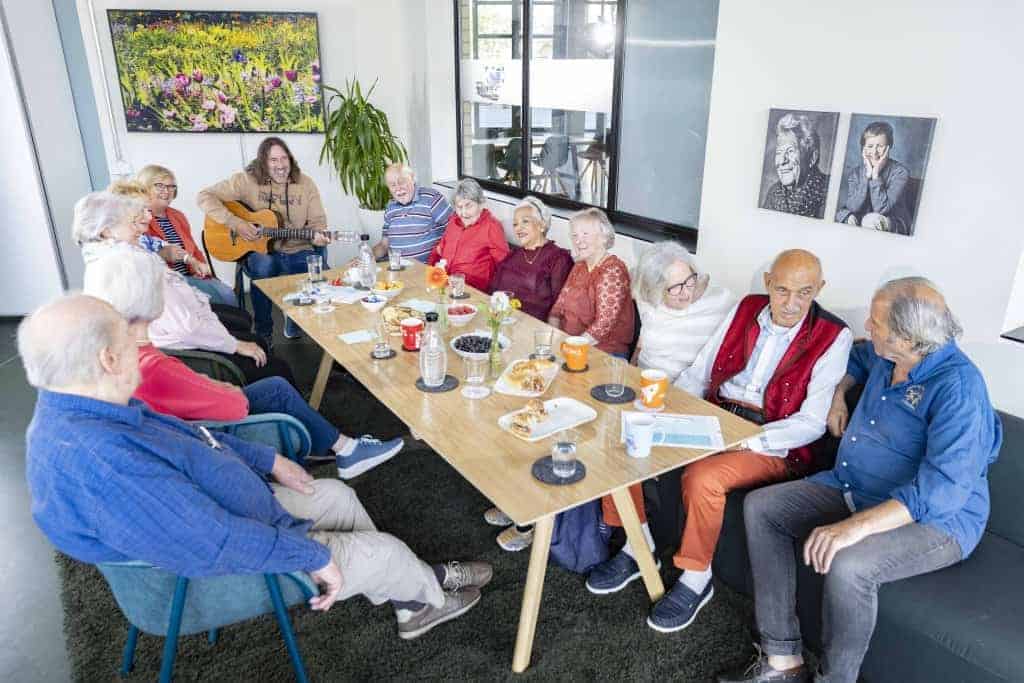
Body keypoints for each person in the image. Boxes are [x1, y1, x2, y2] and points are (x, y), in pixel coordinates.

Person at [20, 294, 492, 641]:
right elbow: (213, 542)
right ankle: (414, 585)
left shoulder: (87, 407)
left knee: (336, 495)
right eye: (129, 341)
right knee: (384, 550)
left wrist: (269, 459)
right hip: (221, 568)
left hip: (238, 508)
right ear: (106, 358)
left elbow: (194, 436)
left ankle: (411, 595)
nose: (142, 350)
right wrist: (315, 557)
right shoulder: (104, 464)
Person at [719, 277, 1001, 683]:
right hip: (855, 486)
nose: (867, 325)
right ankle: (783, 659)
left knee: (850, 566)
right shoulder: (888, 356)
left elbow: (942, 491)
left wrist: (852, 529)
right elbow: (856, 359)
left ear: (909, 339)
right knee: (762, 508)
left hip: (936, 520)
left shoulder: (959, 389)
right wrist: (838, 396)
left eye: (876, 322)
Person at [588, 250, 852, 637]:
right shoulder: (747, 307)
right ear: (767, 282)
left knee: (704, 477)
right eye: (782, 290)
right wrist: (666, 408)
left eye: (804, 293)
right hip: (715, 415)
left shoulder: (834, 334)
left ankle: (697, 578)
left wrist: (750, 438)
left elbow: (811, 423)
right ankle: (636, 544)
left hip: (775, 441)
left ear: (820, 289)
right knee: (625, 434)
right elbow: (702, 369)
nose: (792, 303)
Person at [83, 243, 404, 479]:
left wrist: (208, 384)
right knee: (276, 387)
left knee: (274, 381)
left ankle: (339, 445)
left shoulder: (122, 355)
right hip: (215, 438)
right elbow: (234, 407)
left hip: (187, 425)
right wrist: (219, 387)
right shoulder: (154, 366)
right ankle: (347, 451)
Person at [72, 190, 295, 387]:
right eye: (130, 222)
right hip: (182, 351)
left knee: (246, 328)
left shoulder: (101, 262)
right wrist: (235, 345)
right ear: (105, 232)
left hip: (165, 343)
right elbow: (185, 328)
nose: (140, 225)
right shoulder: (134, 265)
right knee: (278, 368)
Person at [197, 136, 332, 342]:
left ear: (291, 159)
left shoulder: (305, 184)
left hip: (297, 248)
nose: (280, 165)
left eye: (284, 158)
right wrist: (237, 223)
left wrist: (318, 235)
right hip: (257, 251)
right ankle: (264, 332)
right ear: (263, 163)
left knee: (314, 270)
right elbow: (204, 196)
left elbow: (318, 222)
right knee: (264, 265)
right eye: (273, 160)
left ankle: (295, 322)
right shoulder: (246, 180)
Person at [631, 241, 736, 382]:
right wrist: (630, 370)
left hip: (683, 389)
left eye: (689, 280)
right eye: (675, 287)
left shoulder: (721, 301)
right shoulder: (647, 299)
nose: (686, 292)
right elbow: (643, 339)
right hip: (643, 377)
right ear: (656, 289)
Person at [136, 164, 238, 305]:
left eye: (171, 186)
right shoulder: (138, 219)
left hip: (190, 276)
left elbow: (194, 250)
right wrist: (162, 255)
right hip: (167, 283)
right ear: (145, 188)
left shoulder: (177, 216)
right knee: (224, 296)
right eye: (159, 185)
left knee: (226, 293)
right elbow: (138, 257)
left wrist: (201, 267)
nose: (167, 191)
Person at [547, 208, 635, 358]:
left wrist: (569, 349)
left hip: (605, 351)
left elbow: (602, 325)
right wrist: (555, 340)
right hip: (570, 345)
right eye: (574, 235)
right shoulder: (580, 266)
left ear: (603, 237)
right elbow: (556, 310)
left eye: (585, 234)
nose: (578, 240)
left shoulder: (613, 270)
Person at [490, 196, 573, 321]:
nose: (518, 228)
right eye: (515, 224)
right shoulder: (512, 256)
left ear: (542, 225)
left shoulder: (559, 258)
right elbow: (492, 291)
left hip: (534, 327)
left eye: (525, 221)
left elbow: (560, 307)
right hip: (502, 320)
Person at [427, 178, 509, 291]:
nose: (464, 213)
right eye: (459, 207)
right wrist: (432, 270)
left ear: (480, 204)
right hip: (445, 285)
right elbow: (438, 250)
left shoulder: (491, 226)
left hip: (472, 292)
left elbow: (505, 267)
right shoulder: (453, 222)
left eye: (468, 206)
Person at [835, 121, 914, 235]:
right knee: (846, 217)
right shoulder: (855, 173)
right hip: (863, 219)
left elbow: (881, 209)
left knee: (871, 220)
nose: (874, 152)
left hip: (893, 223)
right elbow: (853, 207)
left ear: (889, 147)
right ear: (863, 148)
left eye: (880, 146)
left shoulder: (900, 172)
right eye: (870, 146)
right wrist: (867, 175)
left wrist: (875, 174)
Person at [371, 163, 453, 263]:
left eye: (402, 182)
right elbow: (384, 245)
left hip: (425, 271)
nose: (398, 188)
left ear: (413, 179)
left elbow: (456, 230)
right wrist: (365, 257)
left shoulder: (432, 198)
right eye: (393, 185)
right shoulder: (391, 207)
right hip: (395, 269)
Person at [761, 113, 830, 218]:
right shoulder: (774, 193)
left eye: (790, 151)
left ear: (812, 158)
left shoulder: (829, 191)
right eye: (779, 153)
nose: (782, 161)